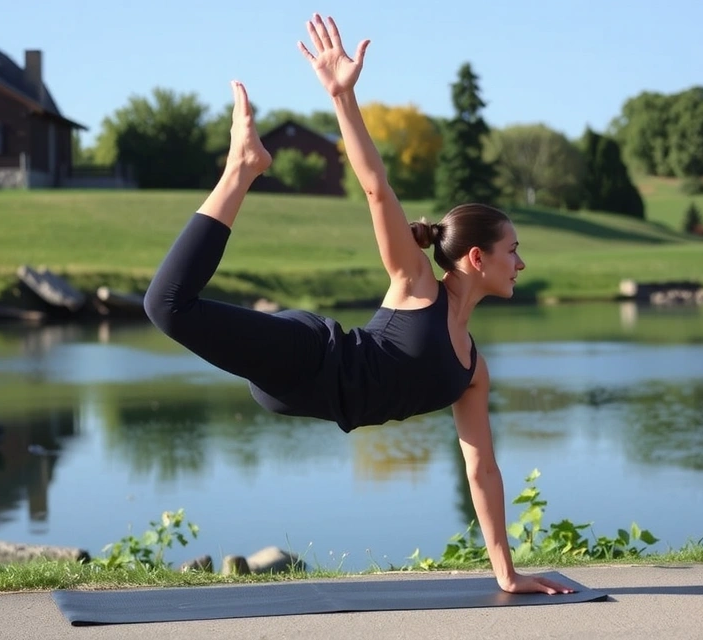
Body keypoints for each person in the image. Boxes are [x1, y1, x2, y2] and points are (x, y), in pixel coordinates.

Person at [143, 13, 573, 597]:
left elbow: (483, 470)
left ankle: (244, 168)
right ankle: (241, 170)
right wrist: (343, 96)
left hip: (299, 398)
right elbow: (376, 187)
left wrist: (507, 573)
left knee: (172, 308)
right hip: (308, 357)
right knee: (167, 306)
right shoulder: (416, 283)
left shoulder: (473, 370)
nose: (521, 263)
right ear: (475, 257)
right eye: (513, 250)